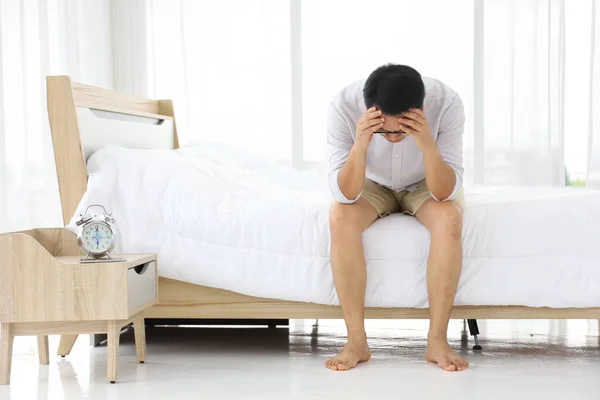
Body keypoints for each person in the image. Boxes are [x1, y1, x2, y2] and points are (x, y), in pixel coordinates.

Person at [325, 64, 468, 372]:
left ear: (419, 109)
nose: (392, 137)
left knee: (450, 219)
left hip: (425, 182)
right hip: (370, 182)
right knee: (340, 218)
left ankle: (437, 340)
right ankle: (356, 341)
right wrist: (362, 142)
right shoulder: (342, 107)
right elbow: (345, 194)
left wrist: (427, 142)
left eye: (401, 130)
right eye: (384, 130)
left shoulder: (447, 103)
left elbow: (444, 192)